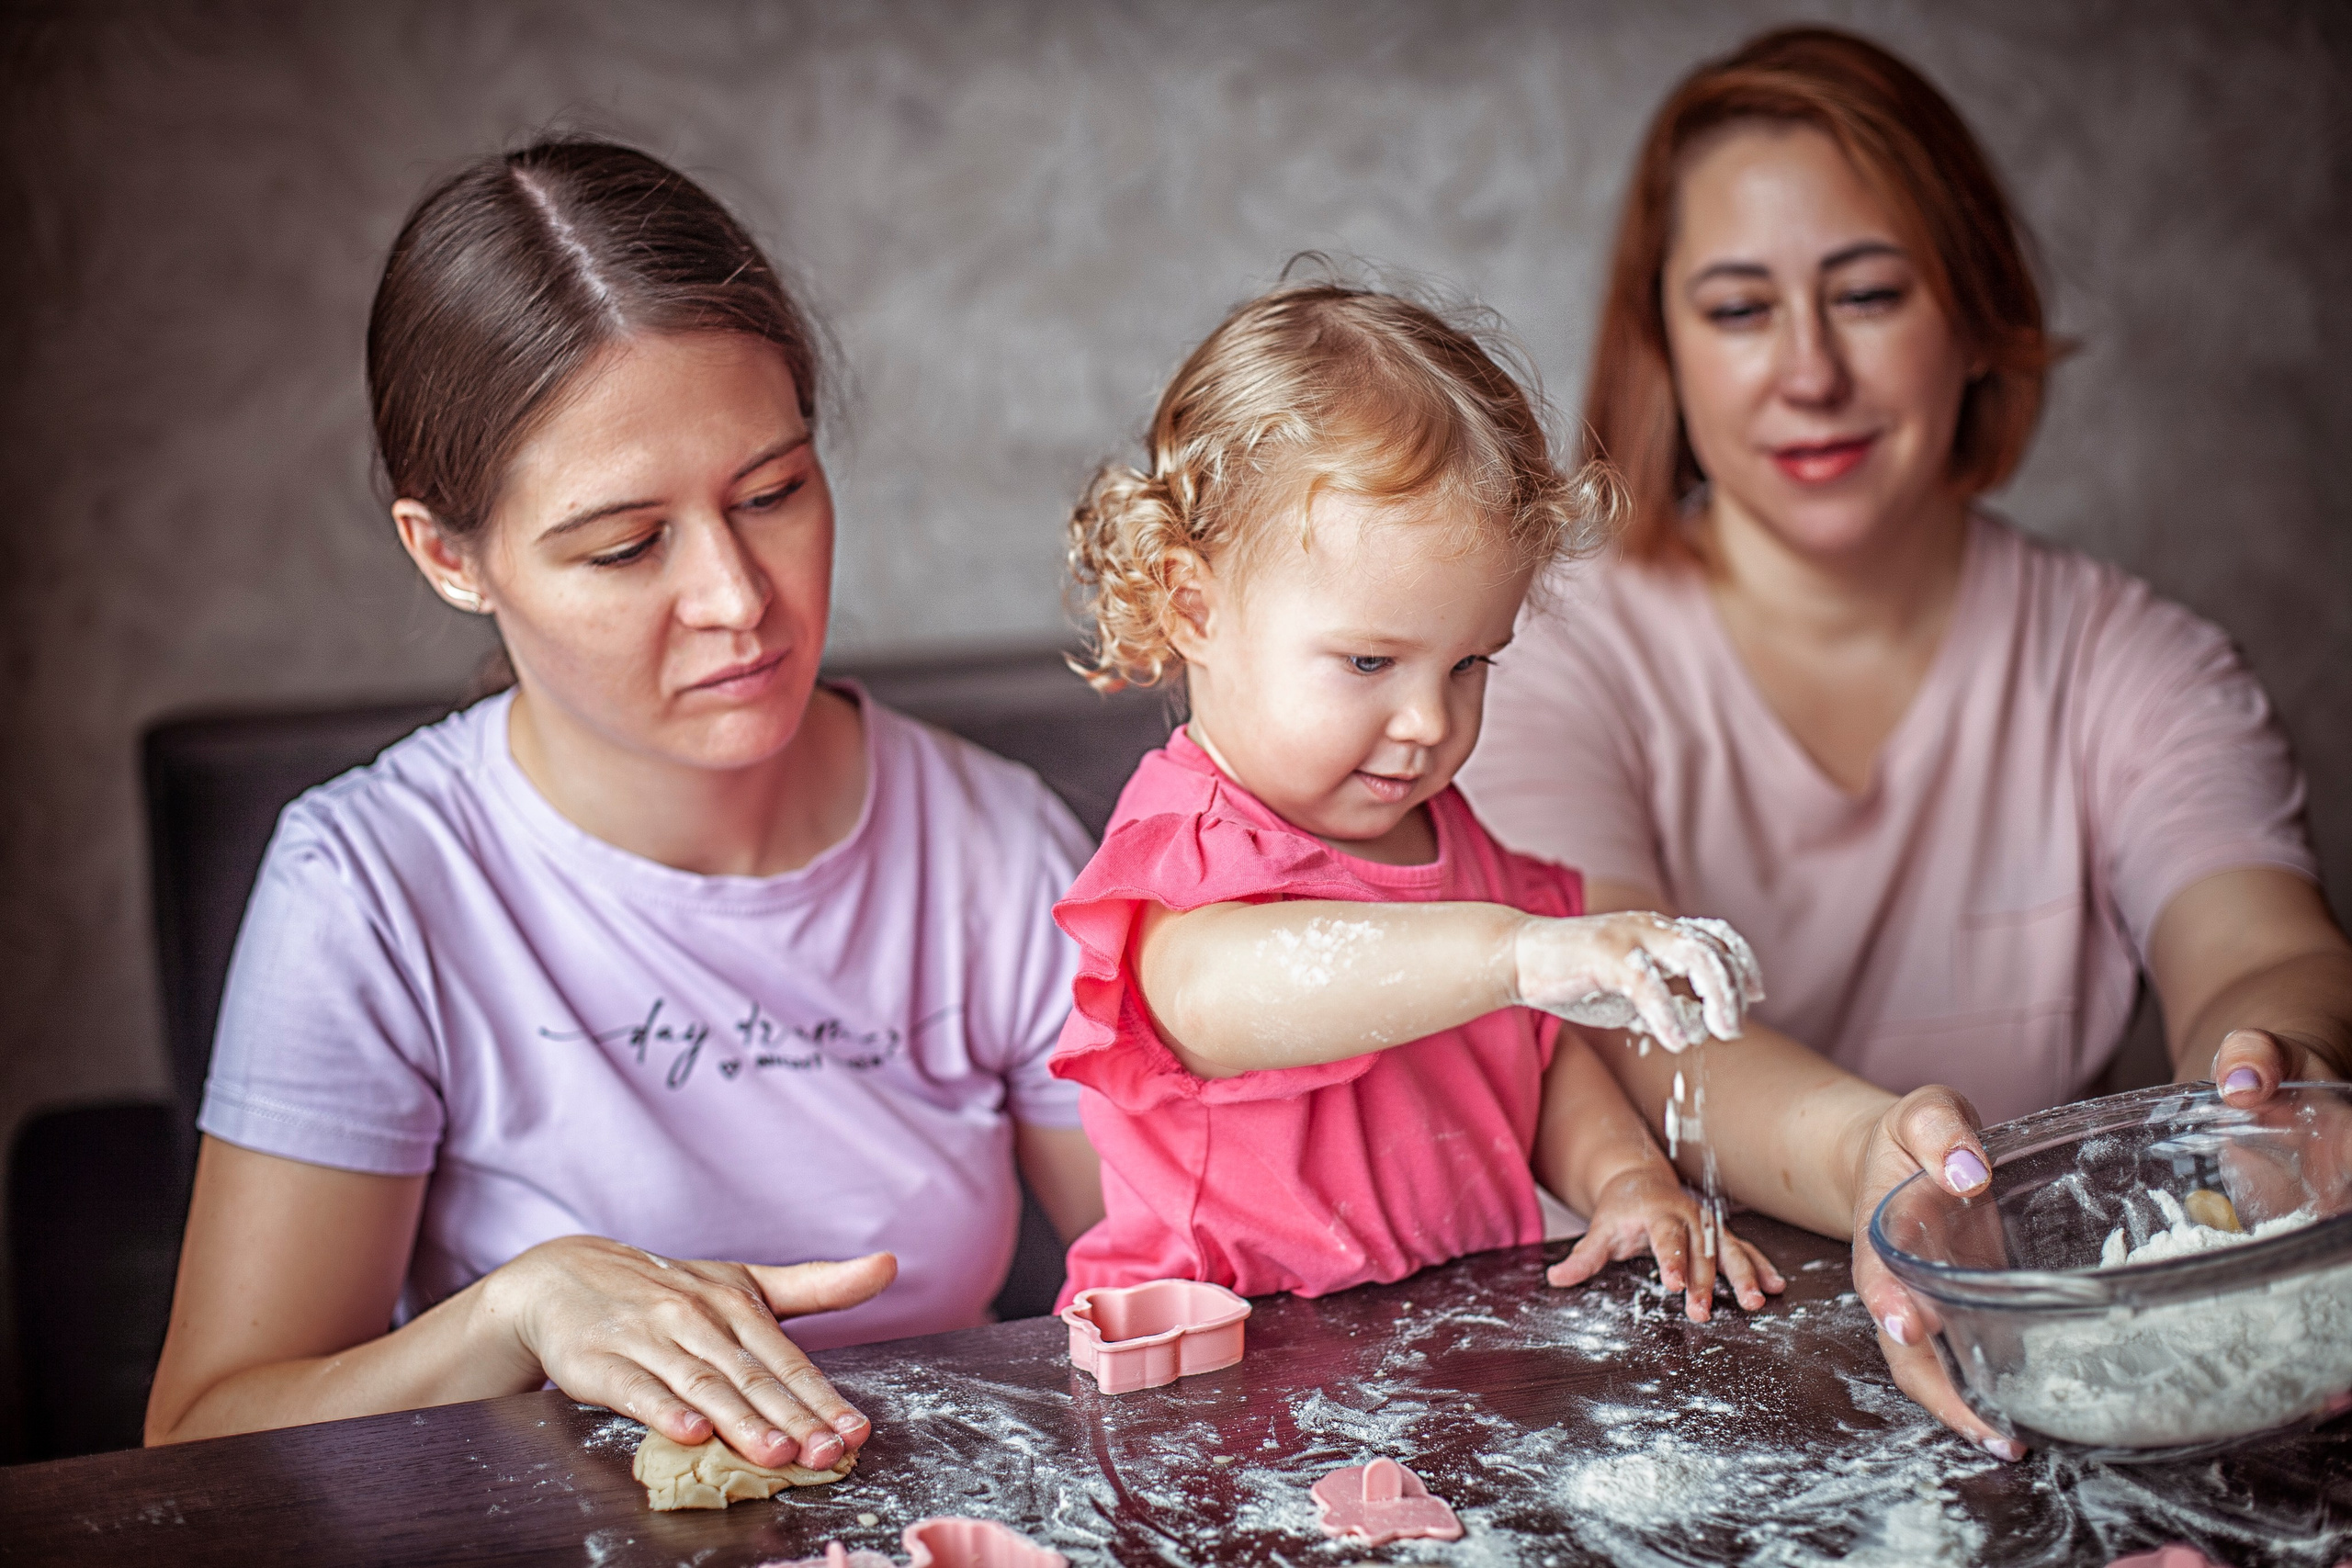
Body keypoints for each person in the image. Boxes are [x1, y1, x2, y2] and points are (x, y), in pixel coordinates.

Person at [144, 141, 1105, 1471]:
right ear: (449, 555)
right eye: (626, 544)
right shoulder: (373, 883)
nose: (736, 597)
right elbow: (204, 1434)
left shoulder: (994, 840)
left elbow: (1191, 1272)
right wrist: (521, 1308)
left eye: (772, 493)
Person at [1459, 27, 2352, 1453]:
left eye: (1868, 293)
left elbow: (2259, 945)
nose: (1809, 372)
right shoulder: (1541, 649)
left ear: (1975, 316)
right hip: (1644, 1392)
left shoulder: (2135, 659)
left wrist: (2281, 1080)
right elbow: (1625, 1021)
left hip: (2025, 1384)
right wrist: (1881, 1161)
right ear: (1664, 349)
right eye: (1740, 308)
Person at [1050, 280, 1781, 1323]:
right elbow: (1220, 993)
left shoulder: (1449, 838)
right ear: (1193, 605)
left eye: (1470, 663)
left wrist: (1624, 1179)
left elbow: (1531, 1057)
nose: (1429, 722)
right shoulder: (1191, 845)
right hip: (1213, 1373)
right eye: (1368, 661)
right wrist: (1512, 953)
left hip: (1444, 1343)